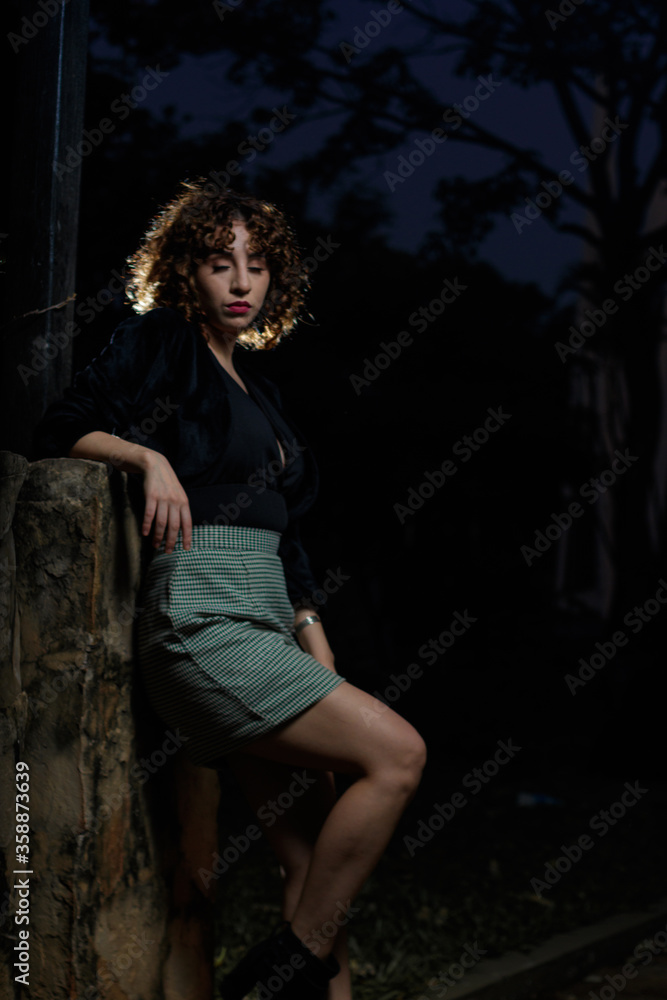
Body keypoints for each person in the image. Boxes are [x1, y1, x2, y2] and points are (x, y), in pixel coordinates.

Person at [33, 181, 427, 1000]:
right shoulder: (162, 342)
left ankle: (307, 973)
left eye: (257, 266)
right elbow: (60, 425)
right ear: (187, 272)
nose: (242, 283)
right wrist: (147, 458)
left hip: (267, 622)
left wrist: (311, 630)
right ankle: (283, 969)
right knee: (398, 755)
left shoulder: (262, 393)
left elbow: (288, 539)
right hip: (201, 620)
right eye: (220, 264)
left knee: (315, 863)